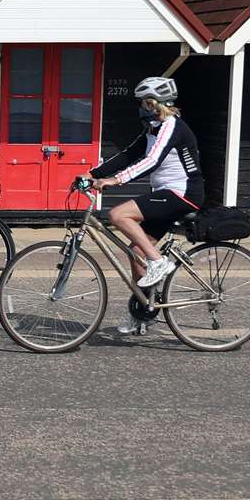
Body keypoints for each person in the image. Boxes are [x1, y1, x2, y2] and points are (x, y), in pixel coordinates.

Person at [90, 76, 205, 335]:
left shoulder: (172, 126)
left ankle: (159, 262)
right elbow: (129, 154)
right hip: (166, 193)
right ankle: (143, 311)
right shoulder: (154, 128)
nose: (141, 107)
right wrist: (93, 174)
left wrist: (115, 180)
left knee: (118, 215)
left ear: (154, 104)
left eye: (144, 102)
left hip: (183, 193)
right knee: (135, 251)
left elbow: (152, 161)